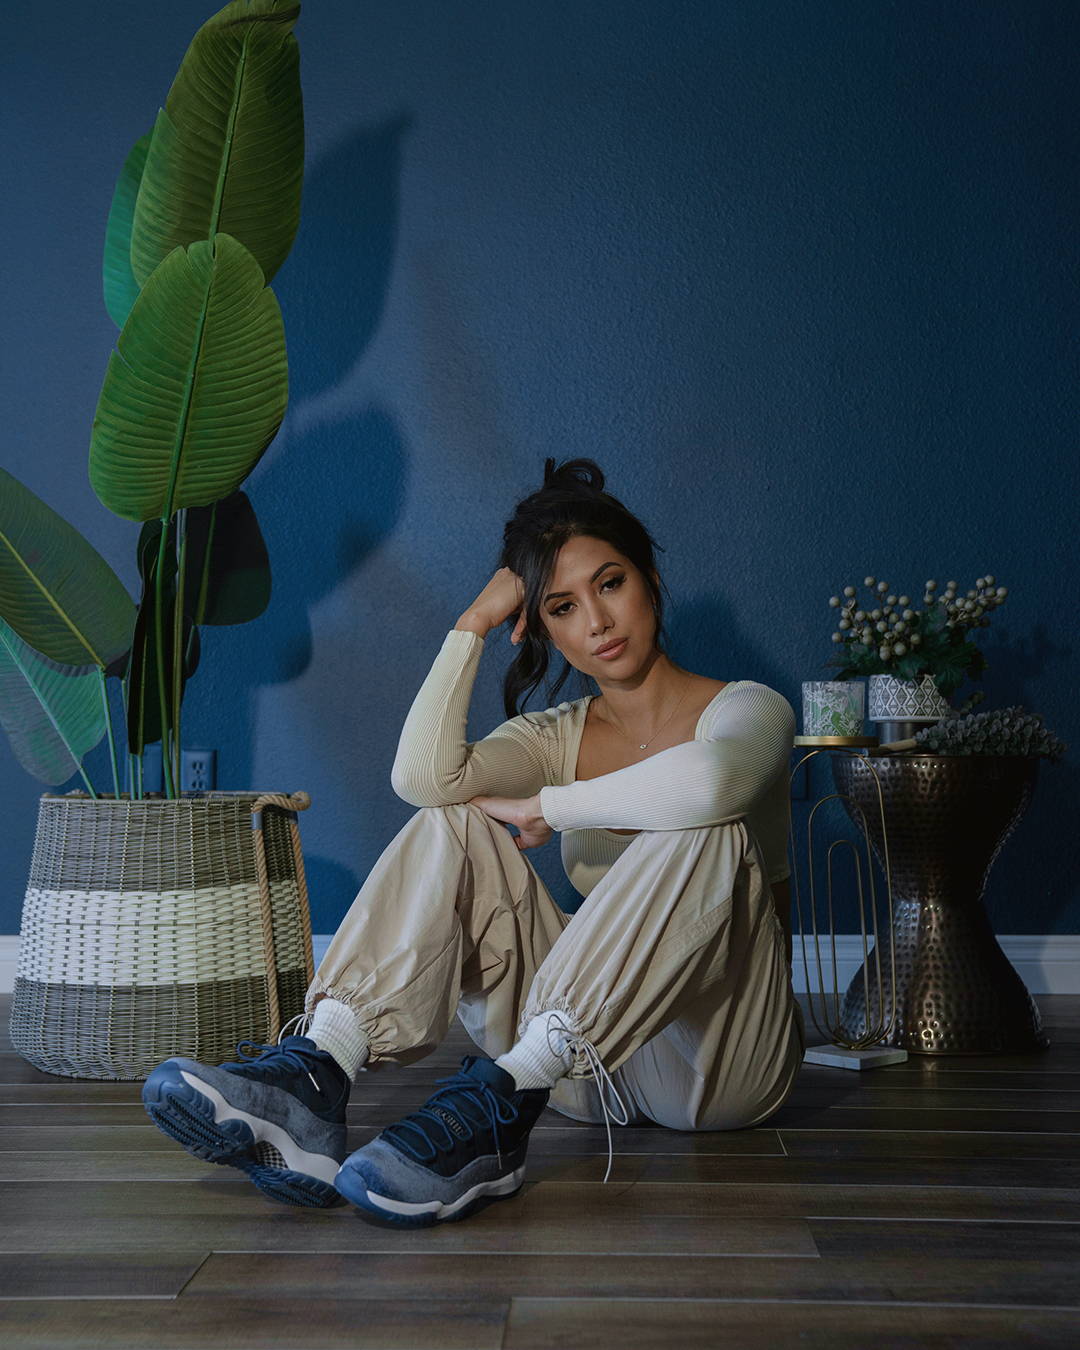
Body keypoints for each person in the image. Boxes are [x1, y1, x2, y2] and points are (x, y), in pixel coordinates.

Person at [142, 457, 802, 1228]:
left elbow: (711, 786)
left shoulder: (749, 710)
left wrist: (551, 808)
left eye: (610, 583)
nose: (596, 621)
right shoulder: (554, 736)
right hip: (586, 1062)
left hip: (722, 1059)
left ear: (650, 577)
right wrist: (473, 623)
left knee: (707, 828)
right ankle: (322, 1074)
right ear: (543, 628)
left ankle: (499, 1100)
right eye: (561, 605)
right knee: (459, 816)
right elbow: (422, 778)